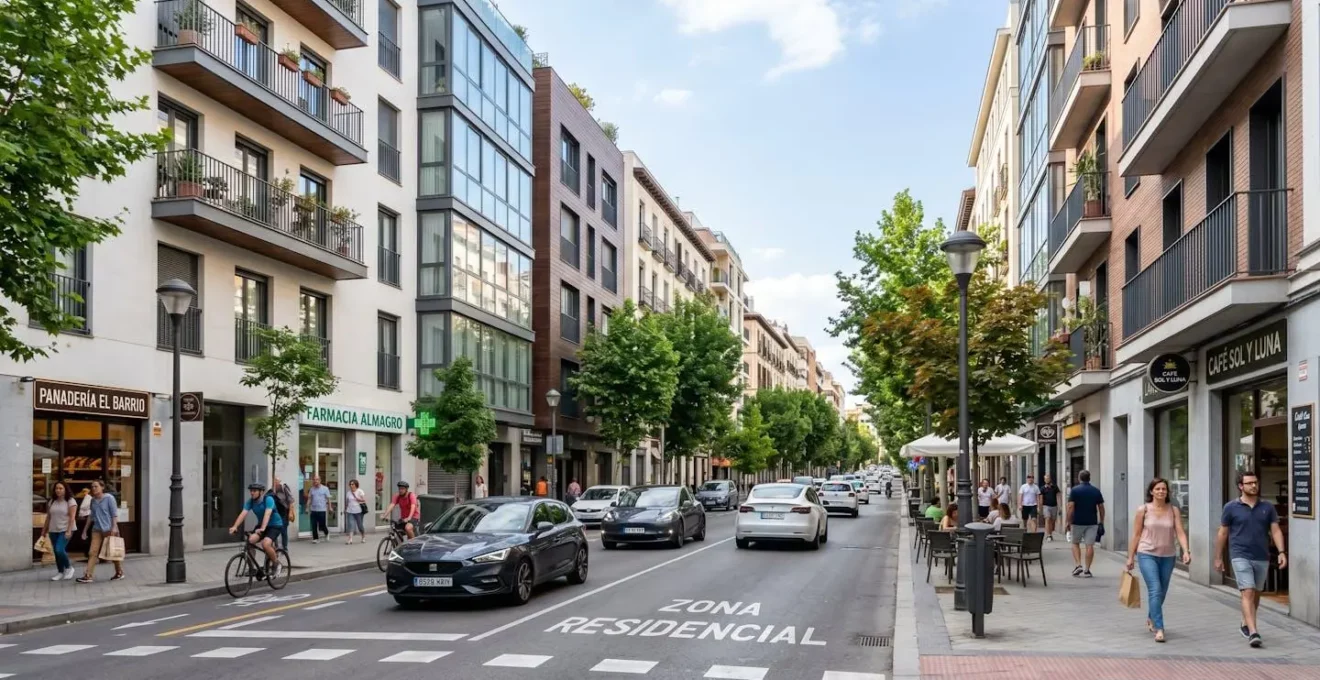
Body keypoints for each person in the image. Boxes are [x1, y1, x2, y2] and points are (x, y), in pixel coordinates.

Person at [1214, 470, 1286, 648]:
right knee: (1248, 591)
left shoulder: (1267, 507)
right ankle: (1254, 632)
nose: (1254, 485)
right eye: (1249, 483)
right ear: (1240, 486)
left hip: (1261, 556)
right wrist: (1218, 557)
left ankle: (1245, 622)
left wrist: (1282, 552)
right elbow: (1223, 532)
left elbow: (1275, 530)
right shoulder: (1230, 507)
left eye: (1255, 482)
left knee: (1256, 593)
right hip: (1240, 554)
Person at [1125, 477, 1190, 643]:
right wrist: (1130, 556)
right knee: (1155, 589)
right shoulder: (1143, 510)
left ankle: (1151, 616)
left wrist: (1186, 550)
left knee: (1161, 591)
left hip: (1168, 555)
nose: (1161, 491)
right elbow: (1136, 535)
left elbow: (1180, 532)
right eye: (1158, 489)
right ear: (1151, 491)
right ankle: (1159, 628)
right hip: (1147, 553)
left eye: (1164, 489)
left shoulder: (1173, 510)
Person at [229, 483, 283, 576]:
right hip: (261, 525)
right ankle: (252, 568)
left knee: (265, 544)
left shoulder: (268, 499)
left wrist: (262, 528)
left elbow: (267, 514)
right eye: (251, 491)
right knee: (250, 541)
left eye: (254, 491)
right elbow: (243, 514)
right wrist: (235, 526)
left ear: (261, 492)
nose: (252, 493)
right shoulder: (251, 502)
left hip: (275, 525)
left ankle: (276, 563)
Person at [77, 480, 123, 583]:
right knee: (92, 552)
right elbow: (91, 516)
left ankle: (119, 572)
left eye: (96, 486)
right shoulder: (93, 500)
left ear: (102, 487)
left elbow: (114, 514)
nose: (93, 488)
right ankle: (88, 575)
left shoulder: (109, 498)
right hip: (96, 529)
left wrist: (114, 527)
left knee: (112, 552)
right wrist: (85, 530)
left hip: (109, 529)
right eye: (92, 487)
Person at [1065, 470, 1105, 578]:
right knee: (1089, 545)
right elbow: (1101, 507)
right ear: (1089, 478)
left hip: (1077, 522)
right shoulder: (1096, 491)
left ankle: (1078, 565)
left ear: (1079, 478)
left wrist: (1068, 521)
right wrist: (1101, 521)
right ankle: (1087, 570)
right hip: (1092, 522)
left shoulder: (1075, 491)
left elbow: (1070, 507)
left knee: (1075, 543)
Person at [42, 481, 78, 581]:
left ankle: (69, 567)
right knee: (56, 552)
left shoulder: (70, 501)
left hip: (65, 529)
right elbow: (48, 517)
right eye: (56, 488)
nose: (58, 490)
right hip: (53, 530)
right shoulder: (52, 501)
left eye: (61, 488)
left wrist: (69, 531)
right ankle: (60, 572)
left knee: (59, 549)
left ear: (65, 489)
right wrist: (44, 530)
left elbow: (72, 517)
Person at [271, 476, 296, 550]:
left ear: (279, 482)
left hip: (284, 512)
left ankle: (285, 547)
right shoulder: (273, 490)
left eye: (276, 481)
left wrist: (290, 513)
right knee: (274, 529)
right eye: (274, 481)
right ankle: (276, 546)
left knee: (283, 529)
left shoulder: (284, 488)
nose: (275, 483)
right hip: (276, 512)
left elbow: (291, 500)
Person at [307, 475, 332, 543]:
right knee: (313, 525)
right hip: (313, 510)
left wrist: (330, 507)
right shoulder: (312, 489)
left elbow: (328, 499)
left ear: (320, 480)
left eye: (317, 480)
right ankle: (316, 538)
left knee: (322, 525)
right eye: (314, 480)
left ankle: (326, 533)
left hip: (322, 510)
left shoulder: (325, 488)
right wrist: (307, 507)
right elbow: (309, 498)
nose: (315, 481)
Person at [344, 479, 366, 544]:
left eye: (352, 484)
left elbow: (364, 500)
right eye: (350, 484)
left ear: (356, 484)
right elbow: (347, 502)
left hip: (358, 511)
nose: (351, 485)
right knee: (351, 525)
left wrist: (358, 499)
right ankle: (350, 539)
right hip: (350, 511)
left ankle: (363, 536)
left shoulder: (360, 491)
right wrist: (345, 509)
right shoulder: (348, 493)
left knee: (360, 526)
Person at [1040, 474, 1061, 540]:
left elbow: (1058, 496)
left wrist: (1060, 506)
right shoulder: (1042, 488)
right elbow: (1041, 498)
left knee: (1053, 521)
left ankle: (1050, 533)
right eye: (1045, 479)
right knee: (1047, 519)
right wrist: (1040, 507)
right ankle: (1048, 535)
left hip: (1054, 506)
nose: (1047, 480)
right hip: (1046, 506)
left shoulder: (1055, 487)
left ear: (1050, 479)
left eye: (1048, 478)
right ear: (1044, 480)